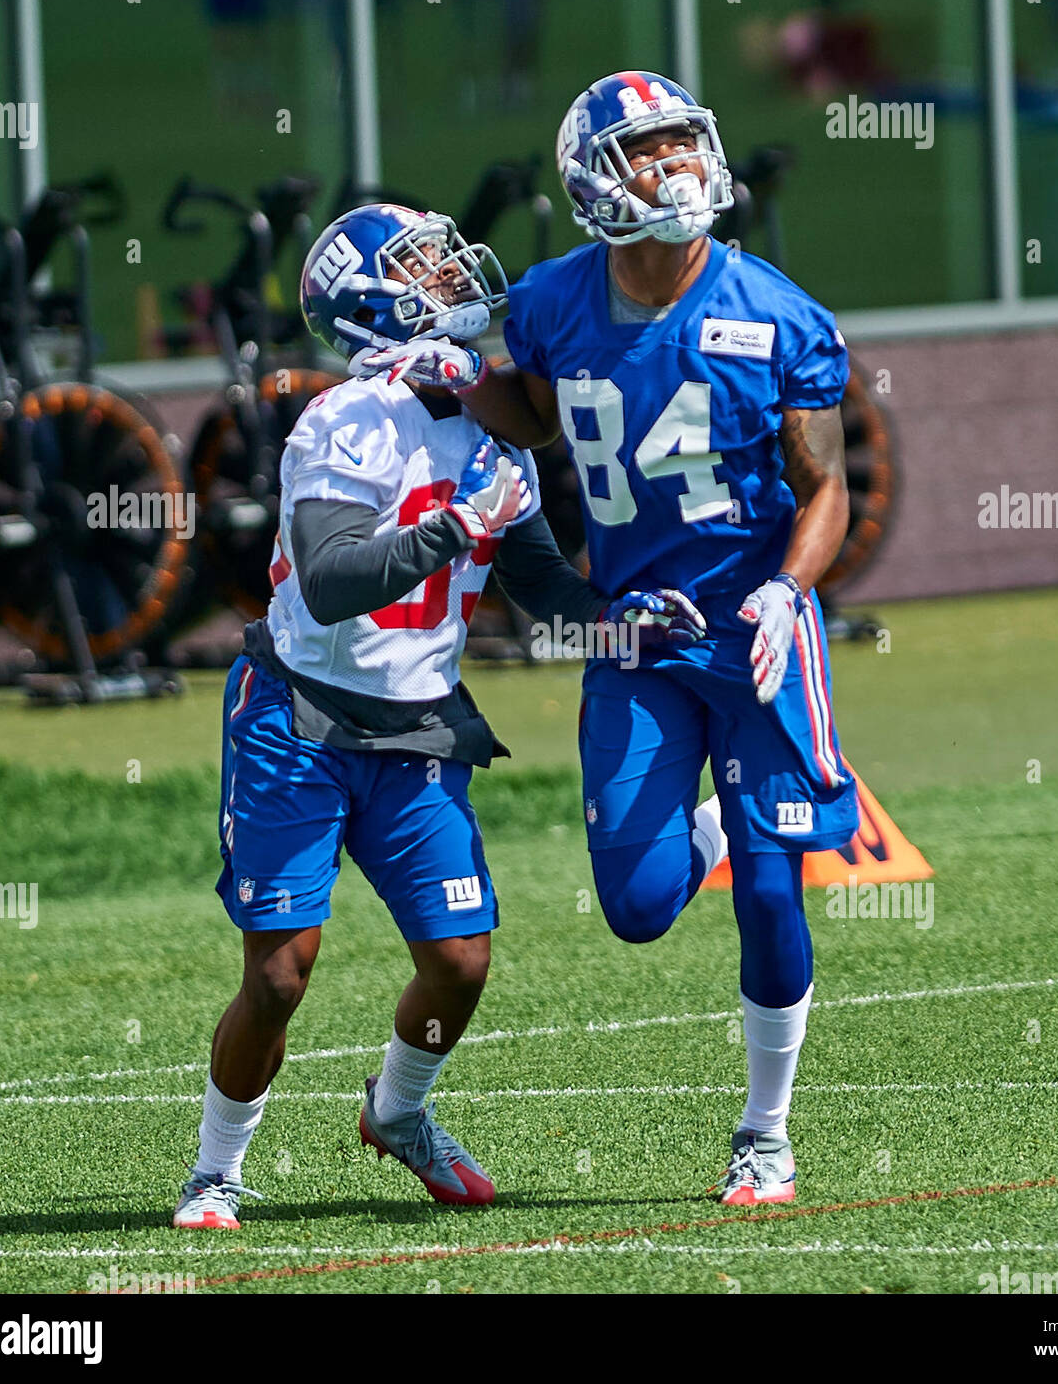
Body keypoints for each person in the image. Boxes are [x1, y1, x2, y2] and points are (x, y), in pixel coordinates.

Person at [365, 73, 859, 1205]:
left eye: (685, 142)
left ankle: (763, 1133)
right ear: (595, 179)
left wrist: (789, 587)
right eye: (647, 149)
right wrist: (442, 384)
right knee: (635, 908)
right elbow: (534, 415)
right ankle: (710, 823)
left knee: (772, 890)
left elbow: (823, 483)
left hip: (752, 629)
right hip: (630, 635)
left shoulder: (779, 313)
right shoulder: (547, 302)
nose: (675, 166)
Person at [173, 202, 704, 1229]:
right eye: (423, 264)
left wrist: (632, 622)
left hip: (416, 725)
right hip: (302, 716)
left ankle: (398, 1114)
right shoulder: (346, 419)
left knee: (460, 960)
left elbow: (543, 583)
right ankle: (215, 1169)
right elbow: (329, 581)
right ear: (370, 299)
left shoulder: (487, 425)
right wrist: (457, 524)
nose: (454, 276)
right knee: (281, 973)